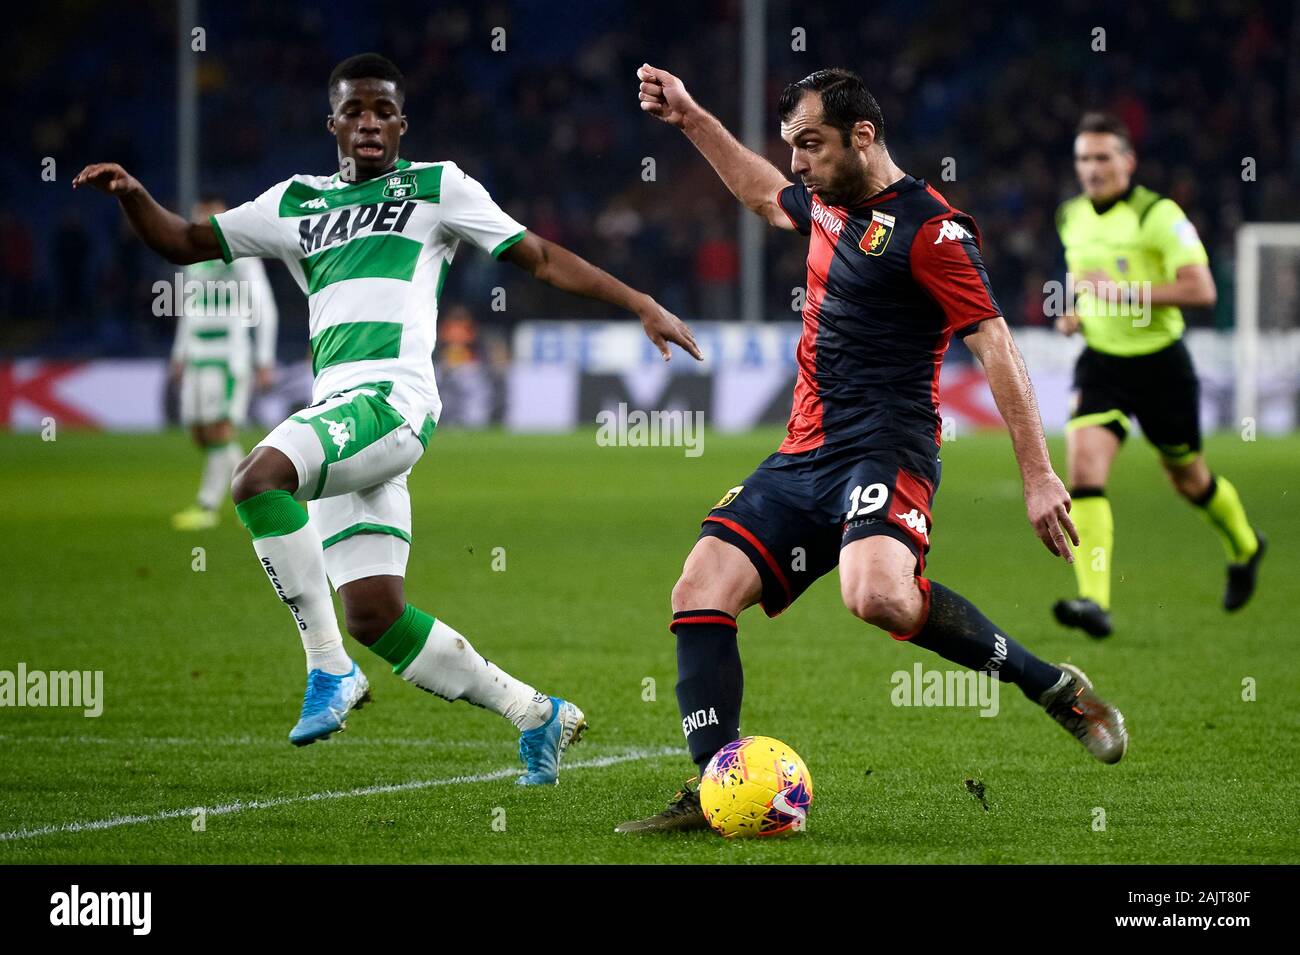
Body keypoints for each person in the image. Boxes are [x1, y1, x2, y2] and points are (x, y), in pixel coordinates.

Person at [74, 53, 701, 785]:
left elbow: (540, 256)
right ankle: (537, 713)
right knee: (376, 612)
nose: (368, 122)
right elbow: (184, 242)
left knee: (257, 480)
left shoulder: (439, 186)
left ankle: (328, 669)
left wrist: (639, 303)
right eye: (354, 110)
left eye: (382, 111)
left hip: (392, 401)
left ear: (402, 123)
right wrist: (132, 194)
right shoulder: (294, 203)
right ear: (332, 123)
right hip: (340, 411)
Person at [617, 66, 1126, 833]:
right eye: (793, 145)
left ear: (863, 136)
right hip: (801, 455)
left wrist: (1039, 473)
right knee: (698, 587)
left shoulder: (932, 230)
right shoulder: (824, 201)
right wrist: (690, 116)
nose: (798, 163)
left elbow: (994, 344)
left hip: (887, 451)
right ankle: (717, 784)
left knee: (877, 594)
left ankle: (1051, 685)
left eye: (811, 145)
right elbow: (762, 192)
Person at [1053, 112, 1264, 638]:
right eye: (1084, 158)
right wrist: (1077, 311)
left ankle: (1245, 545)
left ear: (1128, 161)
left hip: (1160, 364)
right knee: (1083, 469)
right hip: (1102, 361)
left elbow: (1202, 291)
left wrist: (1124, 294)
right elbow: (1083, 276)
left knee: (1188, 478)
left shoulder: (1157, 215)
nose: (1093, 168)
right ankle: (1093, 601)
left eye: (1103, 157)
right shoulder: (1070, 215)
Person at [169, 195, 278, 530]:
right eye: (201, 214)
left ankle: (207, 506)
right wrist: (179, 355)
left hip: (229, 356)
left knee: (220, 427)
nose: (206, 219)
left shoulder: (241, 256)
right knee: (202, 433)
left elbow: (265, 307)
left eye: (213, 214)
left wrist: (263, 359)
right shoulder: (193, 260)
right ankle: (259, 489)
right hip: (198, 355)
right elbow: (188, 309)